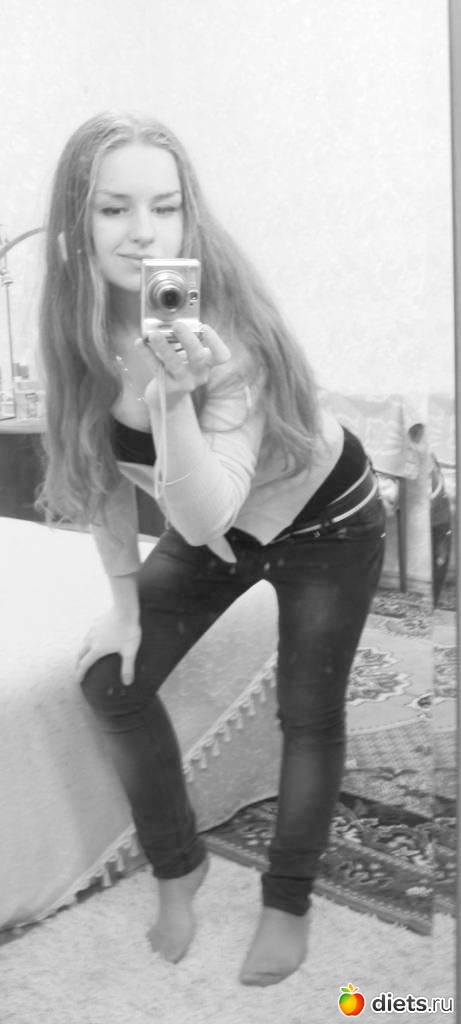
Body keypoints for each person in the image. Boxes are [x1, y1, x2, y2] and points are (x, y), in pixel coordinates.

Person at [37, 111, 386, 986]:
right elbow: (99, 477)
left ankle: (287, 897)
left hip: (327, 518)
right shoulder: (76, 333)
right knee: (110, 680)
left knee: (308, 713)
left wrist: (169, 402)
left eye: (165, 206)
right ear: (77, 224)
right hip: (227, 523)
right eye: (114, 208)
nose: (143, 232)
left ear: (188, 213)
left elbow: (201, 516)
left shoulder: (228, 333)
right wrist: (123, 608)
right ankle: (178, 864)